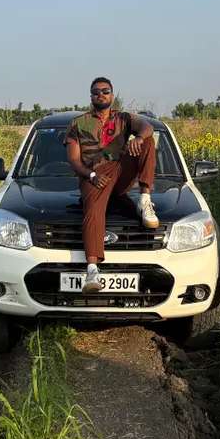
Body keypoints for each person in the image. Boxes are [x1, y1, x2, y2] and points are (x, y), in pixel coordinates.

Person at [65, 77, 158, 294]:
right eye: (96, 92)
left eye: (105, 91)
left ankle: (145, 200)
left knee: (147, 140)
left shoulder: (124, 118)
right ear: (91, 97)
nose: (101, 94)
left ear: (112, 95)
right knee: (94, 211)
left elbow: (147, 126)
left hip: (121, 170)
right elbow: (74, 160)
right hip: (95, 175)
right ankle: (92, 269)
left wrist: (138, 138)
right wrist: (91, 174)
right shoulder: (78, 124)